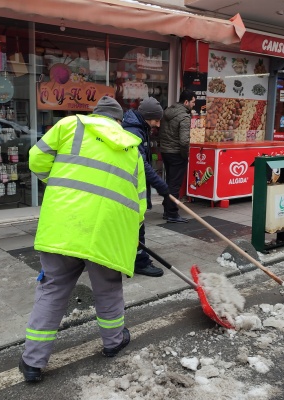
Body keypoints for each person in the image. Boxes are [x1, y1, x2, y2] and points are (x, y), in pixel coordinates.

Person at [19, 96, 147, 382]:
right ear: (118, 121)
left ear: (95, 114)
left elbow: (35, 159)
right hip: (107, 233)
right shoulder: (131, 148)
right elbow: (139, 204)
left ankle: (32, 363)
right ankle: (114, 342)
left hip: (64, 225)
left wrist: (58, 183)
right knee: (109, 289)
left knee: (52, 290)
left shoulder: (69, 126)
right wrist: (131, 231)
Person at [122, 97, 169, 277]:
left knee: (134, 225)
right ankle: (139, 262)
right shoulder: (134, 131)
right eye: (156, 120)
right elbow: (141, 163)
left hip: (131, 184)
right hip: (131, 187)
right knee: (137, 224)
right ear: (147, 117)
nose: (157, 124)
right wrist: (161, 186)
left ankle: (131, 259)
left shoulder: (138, 127)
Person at [158, 89, 196, 223]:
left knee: (169, 181)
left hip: (166, 151)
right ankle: (172, 213)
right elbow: (184, 141)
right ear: (186, 102)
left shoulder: (168, 111)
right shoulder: (184, 117)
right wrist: (185, 155)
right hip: (176, 154)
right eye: (192, 102)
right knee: (175, 184)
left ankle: (166, 209)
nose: (193, 105)